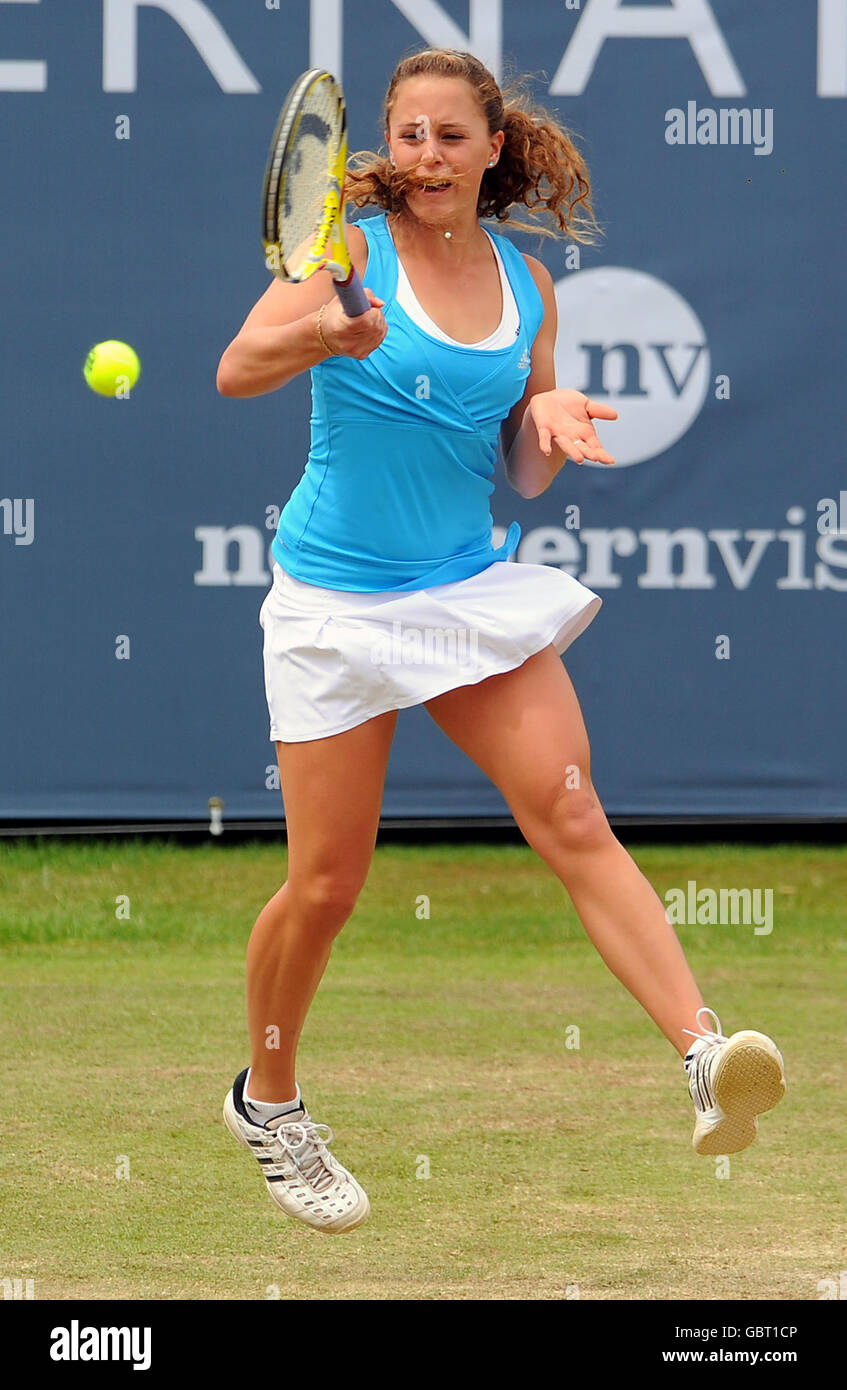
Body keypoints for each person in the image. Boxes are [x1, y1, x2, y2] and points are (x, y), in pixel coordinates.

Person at [215, 48, 785, 1235]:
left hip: (462, 588)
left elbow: (517, 471)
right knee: (326, 885)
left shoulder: (529, 286)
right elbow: (236, 368)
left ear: (491, 150)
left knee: (572, 813)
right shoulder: (347, 250)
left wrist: (545, 412)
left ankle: (700, 1054)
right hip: (331, 604)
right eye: (407, 135)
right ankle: (268, 1101)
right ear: (387, 148)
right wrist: (322, 337)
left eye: (449, 136)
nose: (427, 155)